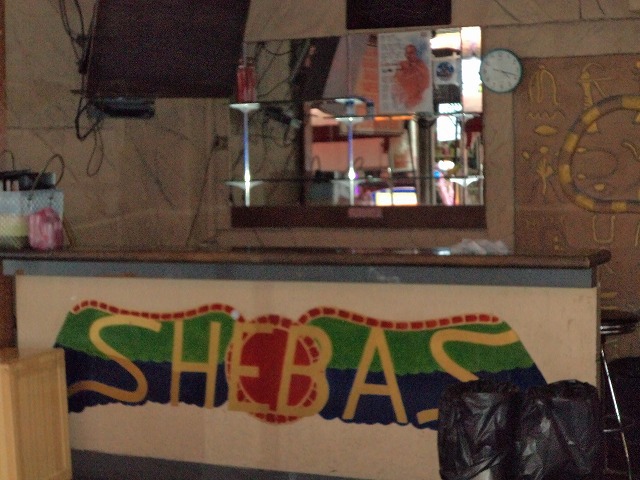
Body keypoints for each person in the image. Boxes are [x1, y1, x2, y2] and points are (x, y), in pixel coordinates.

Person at [392, 44, 430, 110]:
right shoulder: (402, 64)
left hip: (416, 99)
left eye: (411, 53)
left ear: (415, 53)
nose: (409, 55)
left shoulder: (421, 66)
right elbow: (395, 80)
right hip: (404, 100)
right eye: (407, 53)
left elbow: (426, 83)